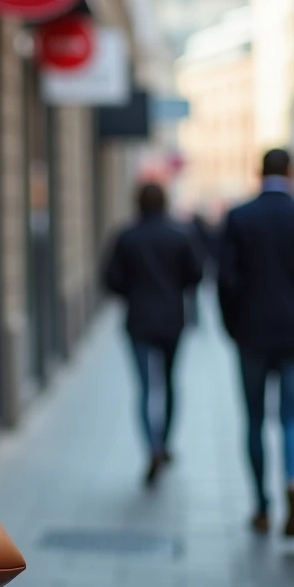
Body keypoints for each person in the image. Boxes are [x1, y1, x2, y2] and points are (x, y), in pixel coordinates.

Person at [218, 148, 294, 537]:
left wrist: (233, 326)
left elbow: (225, 280)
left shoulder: (240, 217)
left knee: (254, 420)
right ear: (291, 172)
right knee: (292, 419)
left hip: (252, 333)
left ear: (259, 172)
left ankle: (261, 505)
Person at [103, 182, 203, 485]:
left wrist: (133, 292)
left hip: (139, 321)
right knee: (170, 383)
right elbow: (196, 275)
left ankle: (152, 447)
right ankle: (165, 443)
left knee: (145, 388)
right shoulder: (179, 235)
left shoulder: (126, 236)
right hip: (172, 320)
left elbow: (110, 279)